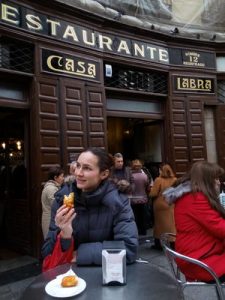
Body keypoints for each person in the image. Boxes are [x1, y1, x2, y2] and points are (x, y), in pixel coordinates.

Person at [41, 148, 138, 270]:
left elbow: (128, 249)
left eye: (87, 168)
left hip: (107, 275)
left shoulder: (118, 202)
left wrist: (80, 254)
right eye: (78, 165)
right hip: (71, 280)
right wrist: (65, 235)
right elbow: (47, 252)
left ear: (104, 174)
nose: (78, 173)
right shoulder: (62, 200)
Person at [163, 161, 225, 282]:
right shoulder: (196, 199)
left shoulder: (191, 196)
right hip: (200, 261)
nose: (218, 182)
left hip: (199, 254)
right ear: (206, 180)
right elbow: (221, 228)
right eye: (216, 178)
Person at [149, 163, 177, 250]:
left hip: (160, 205)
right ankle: (173, 243)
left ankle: (158, 244)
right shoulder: (175, 180)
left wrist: (149, 191)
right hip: (171, 204)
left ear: (161, 171)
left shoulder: (158, 180)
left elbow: (153, 193)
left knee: (159, 225)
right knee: (172, 225)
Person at [41, 166, 64, 239]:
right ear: (55, 177)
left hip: (53, 220)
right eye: (61, 176)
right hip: (50, 221)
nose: (63, 178)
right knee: (51, 244)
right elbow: (56, 205)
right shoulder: (51, 189)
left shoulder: (55, 187)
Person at [130, 159, 150, 235]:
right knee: (143, 216)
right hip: (143, 199)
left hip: (133, 199)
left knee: (135, 216)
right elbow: (147, 187)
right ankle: (143, 231)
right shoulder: (144, 176)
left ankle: (136, 231)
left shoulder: (130, 176)